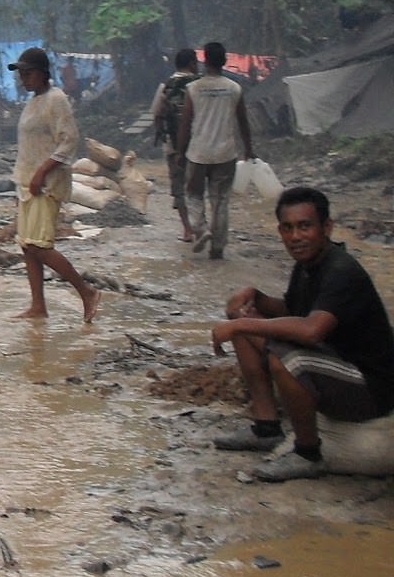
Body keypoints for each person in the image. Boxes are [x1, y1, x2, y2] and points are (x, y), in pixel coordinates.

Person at [211, 186, 394, 481]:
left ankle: (308, 453)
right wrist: (254, 299)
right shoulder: (307, 266)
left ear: (327, 227)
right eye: (288, 228)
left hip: (369, 387)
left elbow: (311, 330)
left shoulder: (342, 271)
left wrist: (241, 324)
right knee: (246, 328)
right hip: (336, 367)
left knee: (288, 358)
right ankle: (266, 428)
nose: (295, 237)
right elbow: (291, 310)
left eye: (305, 226)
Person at [8, 47, 99, 323]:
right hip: (26, 181)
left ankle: (86, 291)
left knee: (39, 246)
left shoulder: (56, 99)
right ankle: (38, 305)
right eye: (21, 74)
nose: (23, 79)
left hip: (45, 184)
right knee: (27, 245)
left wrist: (41, 173)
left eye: (28, 73)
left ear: (42, 73)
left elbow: (68, 141)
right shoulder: (33, 101)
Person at [178, 41, 255, 261]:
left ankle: (201, 230)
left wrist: (180, 153)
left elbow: (185, 124)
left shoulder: (194, 89)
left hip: (198, 153)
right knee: (220, 200)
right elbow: (243, 122)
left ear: (205, 61)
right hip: (225, 153)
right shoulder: (234, 88)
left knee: (193, 194)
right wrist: (248, 148)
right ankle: (218, 248)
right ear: (224, 61)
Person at [150, 48, 200, 242]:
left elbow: (157, 115)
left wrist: (164, 137)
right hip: (199, 145)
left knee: (179, 189)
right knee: (196, 188)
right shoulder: (200, 84)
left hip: (173, 147)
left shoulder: (167, 86)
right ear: (192, 63)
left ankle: (187, 230)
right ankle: (201, 225)